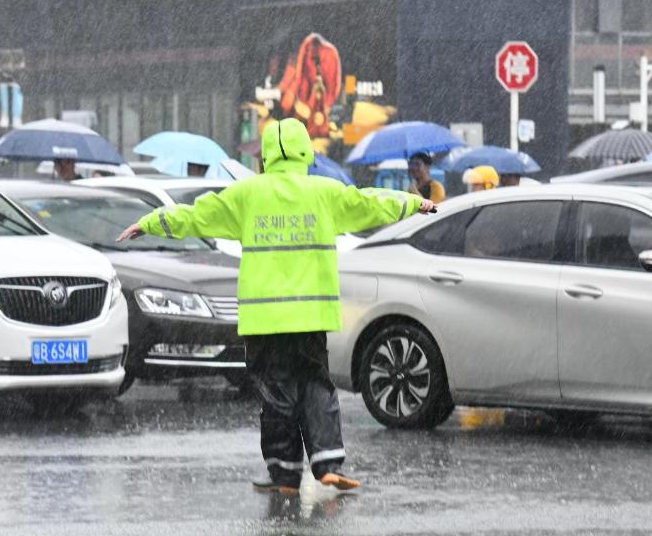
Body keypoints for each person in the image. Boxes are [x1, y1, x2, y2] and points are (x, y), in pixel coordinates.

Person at [117, 118, 432, 495]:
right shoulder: (324, 193)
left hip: (265, 318)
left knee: (276, 393)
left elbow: (196, 214)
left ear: (265, 157)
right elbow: (369, 202)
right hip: (311, 314)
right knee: (316, 384)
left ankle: (284, 472)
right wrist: (415, 202)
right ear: (305, 153)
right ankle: (328, 462)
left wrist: (150, 223)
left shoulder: (247, 195)